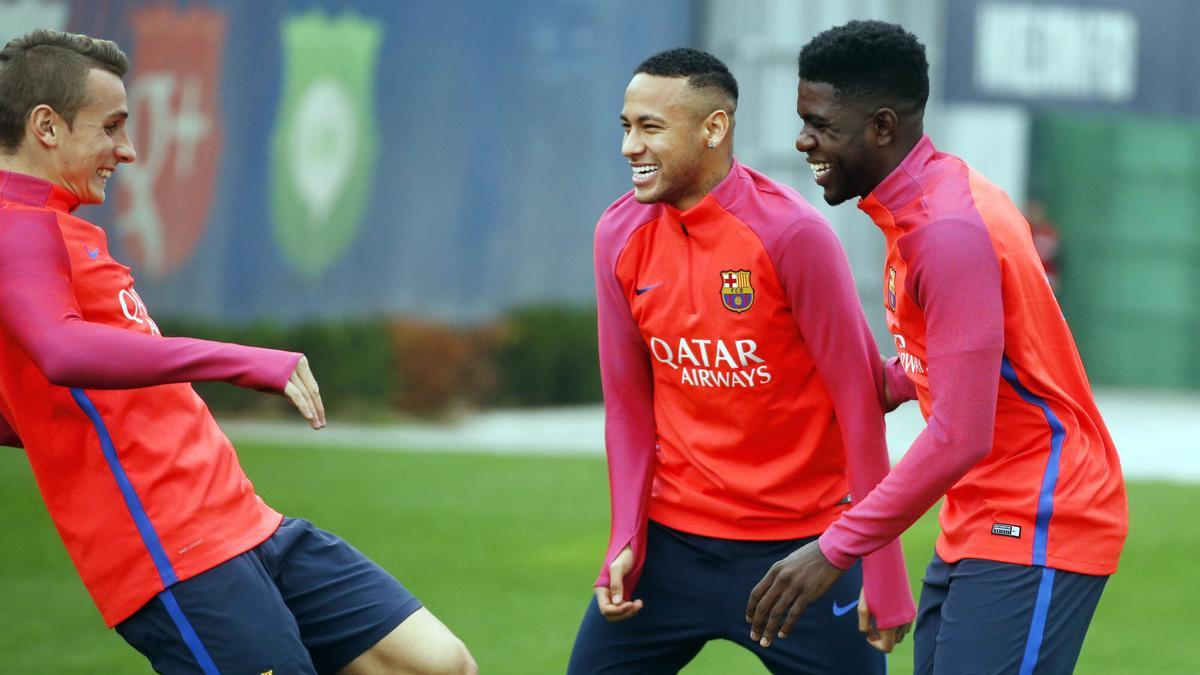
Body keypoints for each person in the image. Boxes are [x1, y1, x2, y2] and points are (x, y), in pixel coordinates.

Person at [0, 29, 476, 675]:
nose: (128, 149)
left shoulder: (53, 227)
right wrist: (244, 361)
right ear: (46, 126)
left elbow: (38, 386)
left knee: (437, 664)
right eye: (111, 127)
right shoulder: (16, 225)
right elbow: (62, 350)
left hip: (246, 521)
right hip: (175, 553)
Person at [746, 20, 1127, 674]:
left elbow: (959, 434)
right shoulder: (926, 203)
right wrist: (874, 380)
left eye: (820, 124)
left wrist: (835, 548)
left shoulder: (945, 231)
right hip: (978, 516)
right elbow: (958, 354)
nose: (803, 140)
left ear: (882, 127)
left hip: (1038, 516)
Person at [567, 47, 914, 674]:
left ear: (713, 128)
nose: (629, 147)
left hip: (803, 558)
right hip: (671, 550)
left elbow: (859, 404)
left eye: (650, 128)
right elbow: (627, 406)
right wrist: (625, 538)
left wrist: (881, 570)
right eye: (626, 126)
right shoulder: (617, 235)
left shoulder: (793, 235)